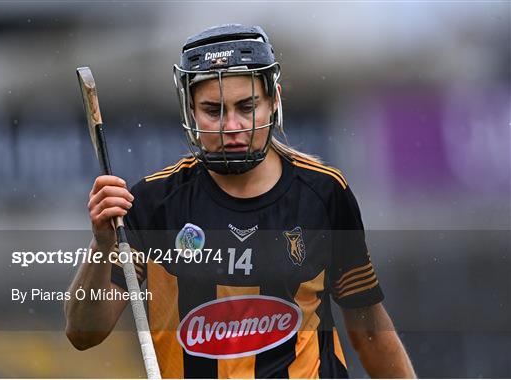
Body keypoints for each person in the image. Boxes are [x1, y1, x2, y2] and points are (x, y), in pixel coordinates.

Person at [65, 24, 416, 378]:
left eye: (247, 107)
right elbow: (83, 333)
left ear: (274, 101)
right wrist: (103, 243)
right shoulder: (154, 203)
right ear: (190, 111)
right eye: (213, 110)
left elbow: (370, 331)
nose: (231, 126)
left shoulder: (324, 193)